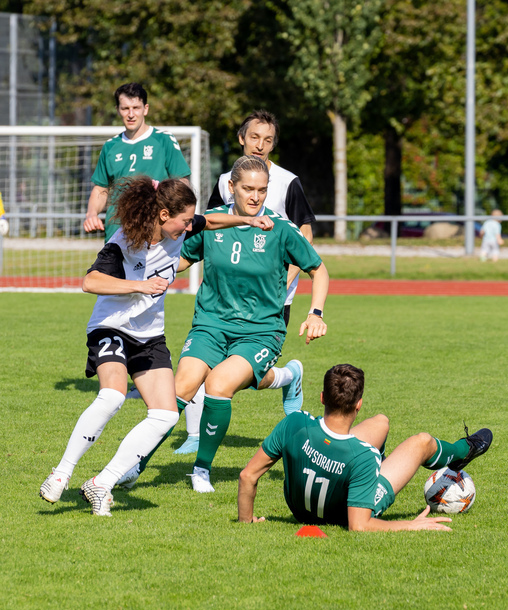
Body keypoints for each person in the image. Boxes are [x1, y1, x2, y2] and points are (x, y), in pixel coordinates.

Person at [40, 175, 274, 516]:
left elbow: (210, 221)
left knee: (165, 415)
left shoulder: (180, 228)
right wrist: (140, 285)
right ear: (164, 215)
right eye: (184, 221)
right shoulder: (125, 241)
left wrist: (247, 220)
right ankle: (61, 473)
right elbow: (90, 281)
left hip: (150, 336)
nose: (189, 227)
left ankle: (102, 483)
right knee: (112, 396)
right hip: (111, 328)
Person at [119, 155, 329, 494]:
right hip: (211, 324)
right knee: (179, 388)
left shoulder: (280, 228)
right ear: (231, 187)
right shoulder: (210, 223)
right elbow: (180, 259)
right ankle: (134, 466)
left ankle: (201, 469)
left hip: (261, 330)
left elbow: (319, 269)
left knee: (217, 385)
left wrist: (315, 313)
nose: (255, 197)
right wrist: (143, 271)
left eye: (262, 190)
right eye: (248, 189)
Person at [177, 109, 316, 455]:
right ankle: (194, 436)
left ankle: (286, 377)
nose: (260, 145)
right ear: (242, 138)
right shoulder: (226, 179)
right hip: (223, 301)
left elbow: (305, 236)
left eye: (268, 140)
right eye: (254, 137)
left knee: (241, 375)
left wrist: (283, 283)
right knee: (209, 370)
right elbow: (211, 227)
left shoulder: (288, 181)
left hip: (271, 297)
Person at [238, 363, 493, 531]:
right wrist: (410, 525)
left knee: (381, 422)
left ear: (323, 397)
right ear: (358, 405)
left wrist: (246, 520)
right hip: (341, 514)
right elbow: (359, 525)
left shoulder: (293, 423)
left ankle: (363, 479)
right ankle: (463, 451)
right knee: (422, 442)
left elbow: (247, 476)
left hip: (300, 509)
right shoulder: (363, 456)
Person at [84, 82, 191, 241]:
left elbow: (182, 182)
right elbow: (101, 189)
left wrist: (177, 213)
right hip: (117, 232)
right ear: (118, 110)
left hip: (155, 231)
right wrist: (91, 214)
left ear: (145, 109)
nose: (131, 114)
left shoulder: (163, 140)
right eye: (125, 108)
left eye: (136, 108)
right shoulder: (110, 146)